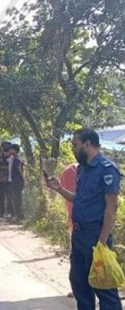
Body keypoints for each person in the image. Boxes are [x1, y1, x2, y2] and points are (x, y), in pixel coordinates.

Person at [46, 128, 122, 310]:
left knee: (103, 286)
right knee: (79, 283)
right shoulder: (82, 170)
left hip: (95, 235)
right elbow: (79, 199)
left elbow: (112, 208)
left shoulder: (107, 169)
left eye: (75, 145)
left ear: (87, 144)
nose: (73, 148)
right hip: (79, 235)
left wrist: (102, 241)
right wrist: (59, 189)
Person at [9, 144, 25, 223]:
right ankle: (19, 216)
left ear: (15, 151)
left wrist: (23, 180)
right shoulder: (13, 159)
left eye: (12, 149)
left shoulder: (16, 160)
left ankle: (19, 217)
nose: (10, 151)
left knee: (17, 199)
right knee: (16, 199)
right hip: (14, 181)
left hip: (17, 181)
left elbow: (19, 170)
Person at [0, 141, 12, 218]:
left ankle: (9, 212)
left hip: (10, 180)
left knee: (9, 197)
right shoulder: (0, 158)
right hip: (2, 180)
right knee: (2, 197)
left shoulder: (12, 158)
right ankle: (2, 212)